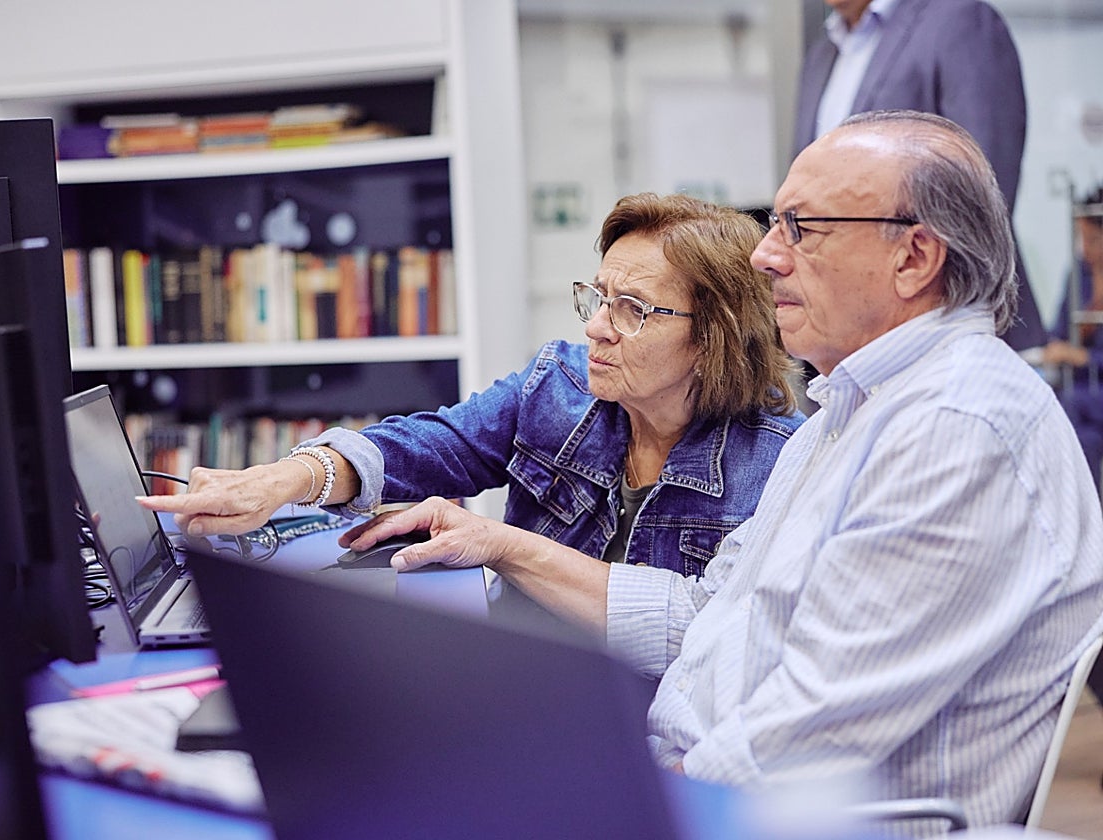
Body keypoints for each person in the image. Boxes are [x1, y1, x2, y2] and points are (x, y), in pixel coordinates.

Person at [330, 111, 1103, 832]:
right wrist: (504, 549)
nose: (768, 255)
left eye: (803, 229)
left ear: (914, 257)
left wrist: (642, 794)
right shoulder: (852, 414)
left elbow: (816, 725)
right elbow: (714, 617)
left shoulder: (955, 429)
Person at [140, 193, 805, 579]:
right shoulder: (560, 386)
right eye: (597, 298)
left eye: (631, 309)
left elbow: (710, 645)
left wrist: (500, 546)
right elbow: (426, 446)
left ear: (713, 335)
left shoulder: (781, 466)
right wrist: (289, 479)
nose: (597, 328)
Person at [793, 0, 1046, 353]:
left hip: (943, 330)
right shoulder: (823, 54)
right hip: (845, 330)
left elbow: (981, 194)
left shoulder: (959, 21)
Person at [1037, 184, 1103, 491]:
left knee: (1071, 406)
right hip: (1083, 394)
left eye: (1092, 239)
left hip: (1088, 393)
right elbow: (1059, 331)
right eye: (1081, 238)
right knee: (1077, 434)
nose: (1084, 247)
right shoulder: (1079, 274)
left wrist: (1087, 357)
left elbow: (1078, 353)